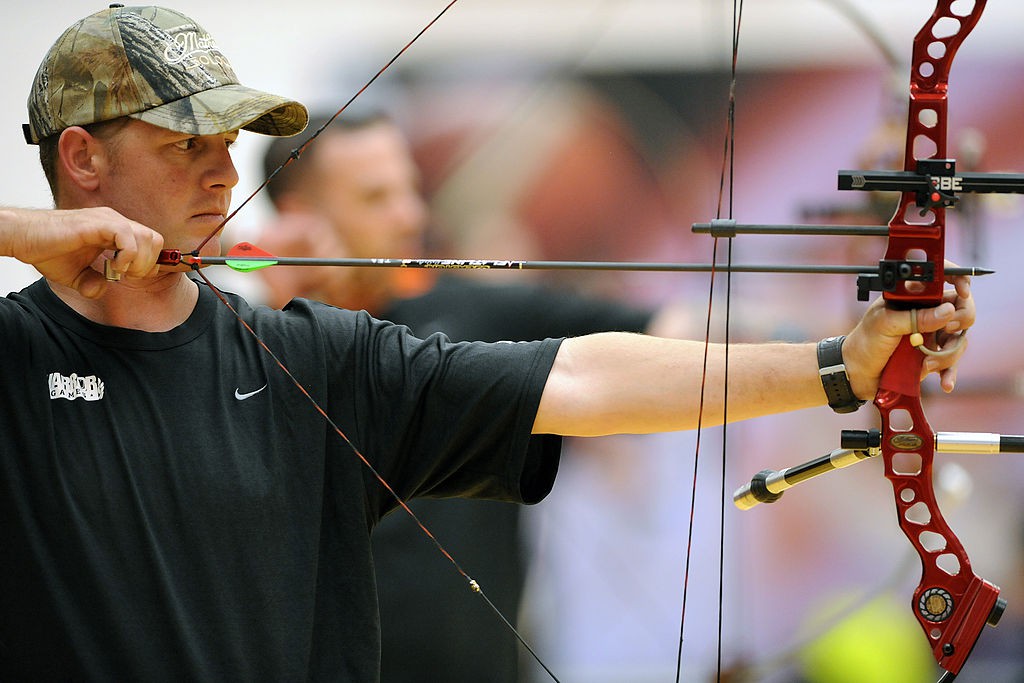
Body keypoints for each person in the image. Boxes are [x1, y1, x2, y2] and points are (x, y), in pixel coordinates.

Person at [0, 5, 973, 681]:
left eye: (225, 145)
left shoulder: (310, 359)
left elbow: (586, 376)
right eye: (184, 145)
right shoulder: (14, 355)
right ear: (81, 157)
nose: (218, 175)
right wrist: (22, 234)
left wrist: (839, 363)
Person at [258, 112, 693, 682]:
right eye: (376, 197)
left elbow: (672, 332)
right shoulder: (248, 350)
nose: (411, 215)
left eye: (411, 189)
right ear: (299, 219)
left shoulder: (477, 312)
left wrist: (826, 355)